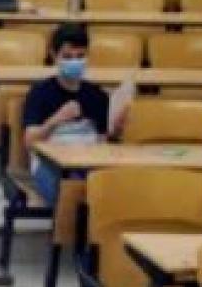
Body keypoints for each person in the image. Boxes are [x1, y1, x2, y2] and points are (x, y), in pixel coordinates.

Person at [20, 24, 128, 204]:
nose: (75, 62)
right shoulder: (40, 93)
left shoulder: (97, 95)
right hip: (50, 165)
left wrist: (116, 130)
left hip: (88, 162)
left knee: (114, 187)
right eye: (68, 57)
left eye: (80, 56)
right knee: (69, 191)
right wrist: (56, 120)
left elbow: (104, 141)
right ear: (54, 56)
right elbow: (30, 141)